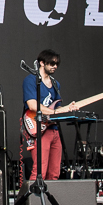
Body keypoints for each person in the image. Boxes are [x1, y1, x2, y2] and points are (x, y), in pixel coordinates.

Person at [23, 49, 67, 181]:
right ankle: (33, 195)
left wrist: (68, 108)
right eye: (52, 63)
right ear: (42, 63)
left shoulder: (56, 84)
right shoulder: (31, 80)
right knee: (39, 171)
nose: (55, 66)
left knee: (54, 173)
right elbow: (32, 105)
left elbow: (57, 107)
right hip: (39, 128)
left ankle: (50, 195)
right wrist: (53, 112)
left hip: (54, 129)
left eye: (57, 64)